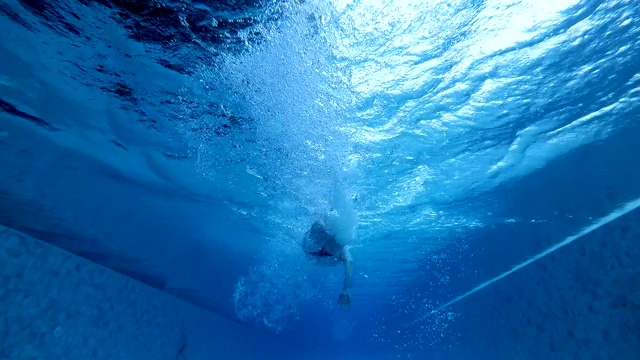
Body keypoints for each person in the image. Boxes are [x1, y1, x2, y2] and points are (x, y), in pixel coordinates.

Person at [302, 214, 353, 310]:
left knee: (318, 233)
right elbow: (349, 261)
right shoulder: (341, 245)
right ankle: (325, 216)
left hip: (311, 251)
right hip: (327, 253)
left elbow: (349, 261)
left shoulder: (334, 240)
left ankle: (323, 216)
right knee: (336, 243)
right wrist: (346, 288)